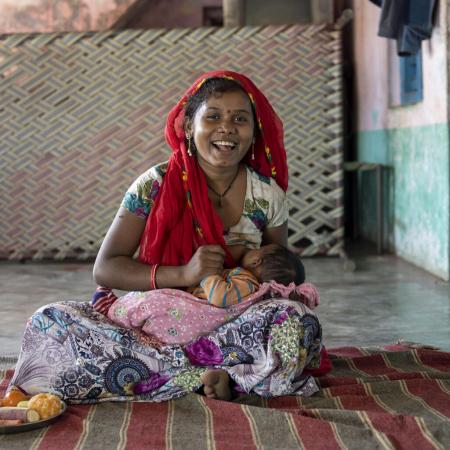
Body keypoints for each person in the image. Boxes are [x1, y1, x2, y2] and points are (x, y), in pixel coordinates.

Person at [9, 70, 329, 404]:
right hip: (153, 331)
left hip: (229, 329)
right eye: (214, 117)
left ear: (254, 131)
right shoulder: (154, 185)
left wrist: (232, 299)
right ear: (190, 126)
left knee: (296, 321)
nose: (227, 128)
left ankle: (177, 375)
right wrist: (184, 275)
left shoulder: (267, 197)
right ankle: (219, 376)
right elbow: (106, 269)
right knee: (53, 322)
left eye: (240, 119)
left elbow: (278, 277)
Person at [189, 244, 305, 307]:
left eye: (257, 248)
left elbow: (219, 297)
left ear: (256, 262)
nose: (251, 248)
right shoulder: (245, 281)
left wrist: (209, 273)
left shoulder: (247, 283)